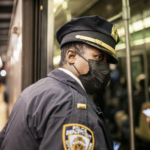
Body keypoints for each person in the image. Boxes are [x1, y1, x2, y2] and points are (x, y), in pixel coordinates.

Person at [0, 15, 120, 150]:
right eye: (99, 57)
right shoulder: (72, 106)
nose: (104, 67)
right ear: (71, 56)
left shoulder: (36, 89)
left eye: (107, 61)